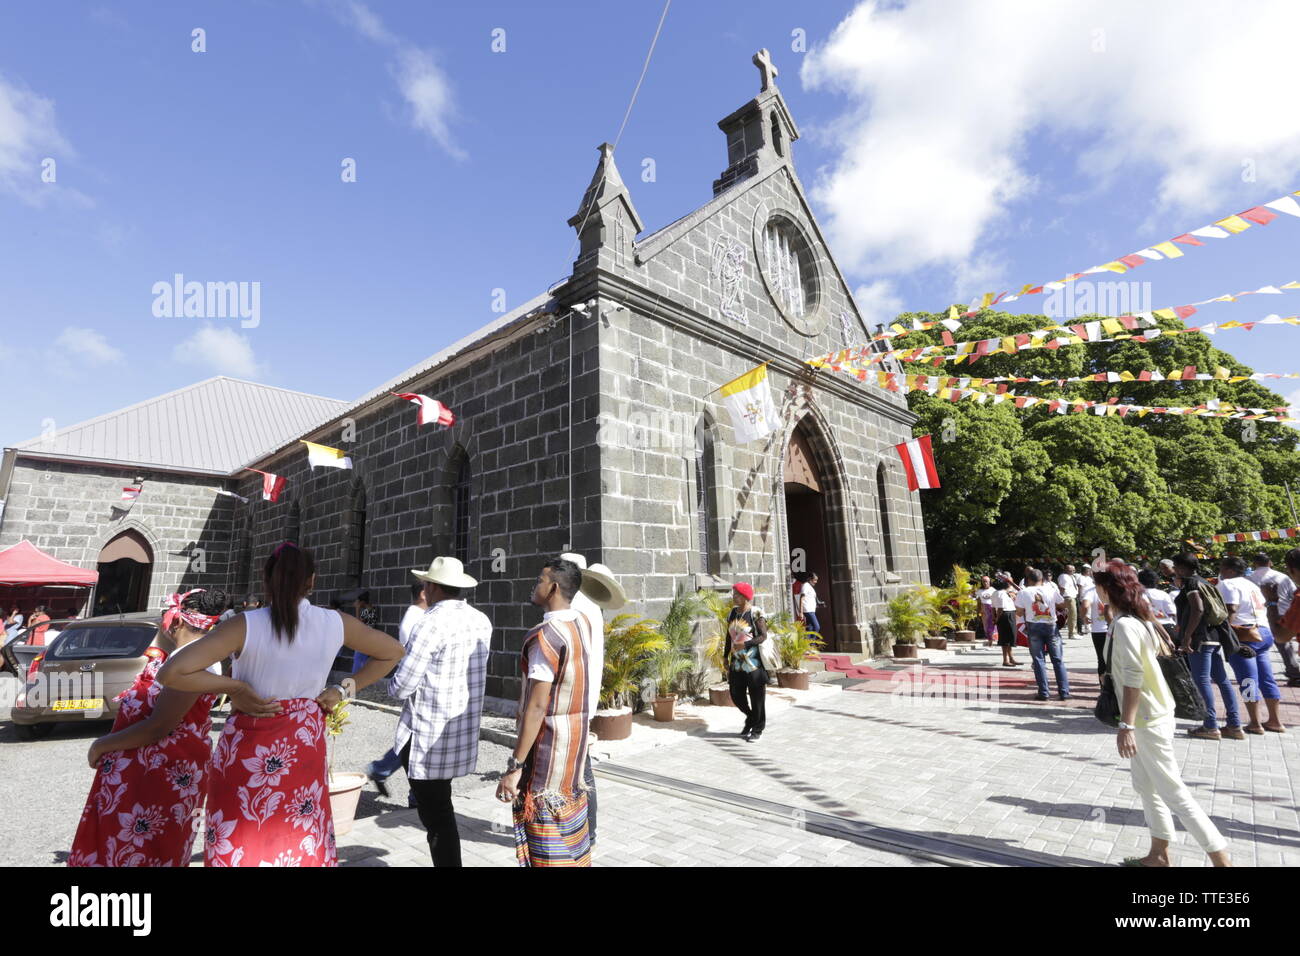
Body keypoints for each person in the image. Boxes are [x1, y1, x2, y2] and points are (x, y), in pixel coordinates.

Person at [157, 542, 403, 866]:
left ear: (266, 579)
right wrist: (344, 689)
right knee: (299, 834)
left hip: (246, 747)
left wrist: (236, 687)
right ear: (311, 581)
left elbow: (172, 672)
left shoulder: (244, 625)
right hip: (302, 744)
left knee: (240, 838)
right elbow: (392, 651)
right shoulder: (335, 623)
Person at [68, 589, 228, 867]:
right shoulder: (185, 656)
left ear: (176, 620)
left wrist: (101, 745)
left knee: (146, 851)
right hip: (146, 774)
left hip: (161, 776)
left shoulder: (194, 661)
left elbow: (160, 726)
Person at [1095, 559, 1231, 867]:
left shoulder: (1128, 624)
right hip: (1152, 714)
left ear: (1107, 589)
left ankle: (1221, 859)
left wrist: (1126, 726)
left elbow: (1132, 677)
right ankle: (1158, 854)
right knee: (1146, 786)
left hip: (1146, 719)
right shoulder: (1135, 619)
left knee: (1173, 792)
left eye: (1098, 586)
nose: (1096, 592)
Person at [386, 557, 491, 867]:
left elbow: (403, 685)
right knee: (441, 811)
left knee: (438, 821)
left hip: (427, 735)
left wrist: (390, 685)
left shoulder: (429, 622)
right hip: (459, 731)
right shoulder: (481, 620)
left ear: (431, 587)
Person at [495, 558, 593, 867]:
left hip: (547, 758)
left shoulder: (545, 637)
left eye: (539, 580)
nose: (533, 585)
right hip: (572, 753)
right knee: (571, 833)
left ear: (552, 588)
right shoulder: (581, 623)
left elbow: (537, 706)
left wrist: (514, 767)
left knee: (546, 838)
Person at [560, 552, 625, 848]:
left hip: (570, 704)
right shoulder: (591, 603)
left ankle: (583, 832)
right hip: (585, 700)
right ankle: (587, 831)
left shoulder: (573, 604)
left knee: (578, 772)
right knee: (580, 771)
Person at [366, 582, 429, 799]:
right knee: (416, 740)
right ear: (423, 593)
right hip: (420, 687)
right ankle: (383, 771)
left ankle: (407, 788)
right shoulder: (417, 619)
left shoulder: (416, 617)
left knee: (416, 739)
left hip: (418, 685)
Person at [1171, 554, 1243, 741]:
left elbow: (1198, 609)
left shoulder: (1191, 584)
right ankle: (1234, 725)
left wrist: (1187, 636)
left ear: (1180, 567)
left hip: (1199, 639)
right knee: (1222, 680)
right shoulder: (1206, 582)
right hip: (1214, 636)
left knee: (1202, 680)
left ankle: (1210, 726)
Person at [1217, 555, 1285, 734]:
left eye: (1222, 568)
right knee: (1266, 678)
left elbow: (1231, 608)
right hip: (1264, 632)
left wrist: (1226, 636)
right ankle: (1274, 721)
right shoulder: (1252, 585)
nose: (1220, 572)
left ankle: (1255, 723)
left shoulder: (1228, 584)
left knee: (1248, 680)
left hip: (1245, 634)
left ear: (1230, 570)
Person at [1015, 569, 1069, 700]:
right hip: (1051, 626)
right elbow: (1063, 604)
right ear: (1043, 580)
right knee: (1058, 660)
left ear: (1028, 580)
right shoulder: (1050, 589)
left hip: (1033, 627)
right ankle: (1064, 692)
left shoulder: (1023, 592)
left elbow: (1019, 613)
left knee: (1039, 660)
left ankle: (1044, 692)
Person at [1250, 552, 1300, 686]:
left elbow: (1281, 636)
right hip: (1285, 614)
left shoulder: (1249, 579)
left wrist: (1272, 602)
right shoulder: (1283, 577)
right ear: (1270, 562)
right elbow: (1292, 593)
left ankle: (1254, 675)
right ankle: (1294, 673)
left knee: (1257, 647)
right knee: (1285, 648)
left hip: (1259, 616)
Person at [991, 577, 1020, 667]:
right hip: (1006, 615)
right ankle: (1005, 660)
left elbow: (993, 608)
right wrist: (997, 619)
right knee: (1005, 639)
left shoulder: (995, 593)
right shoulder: (1002, 593)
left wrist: (994, 617)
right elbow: (1000, 608)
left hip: (1006, 615)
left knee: (1008, 638)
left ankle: (1011, 658)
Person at [349, 590, 379, 674]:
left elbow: (358, 624)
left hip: (364, 639)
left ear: (362, 602)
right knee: (362, 661)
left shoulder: (368, 611)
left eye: (358, 602)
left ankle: (354, 681)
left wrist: (357, 609)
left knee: (358, 661)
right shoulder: (370, 609)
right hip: (367, 638)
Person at [1057, 565, 1080, 639]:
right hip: (1067, 597)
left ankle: (1074, 631)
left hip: (1073, 597)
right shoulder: (1064, 576)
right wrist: (1060, 599)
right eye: (1071, 570)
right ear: (1065, 570)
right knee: (1072, 615)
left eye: (1074, 570)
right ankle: (1072, 633)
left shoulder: (1072, 576)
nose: (1073, 571)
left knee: (1074, 615)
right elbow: (1062, 588)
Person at [797, 572, 823, 638]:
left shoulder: (809, 587)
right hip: (808, 610)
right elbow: (802, 598)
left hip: (811, 610)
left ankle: (807, 644)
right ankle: (812, 644)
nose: (816, 582)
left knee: (810, 628)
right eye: (815, 580)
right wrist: (801, 612)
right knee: (817, 627)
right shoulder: (806, 585)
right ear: (809, 579)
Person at [976, 575, 996, 646]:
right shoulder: (979, 591)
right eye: (983, 581)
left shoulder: (993, 590)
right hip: (984, 610)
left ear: (989, 582)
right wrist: (978, 613)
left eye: (986, 581)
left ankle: (990, 642)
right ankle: (989, 639)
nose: (985, 583)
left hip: (992, 610)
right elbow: (978, 603)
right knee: (985, 627)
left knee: (991, 626)